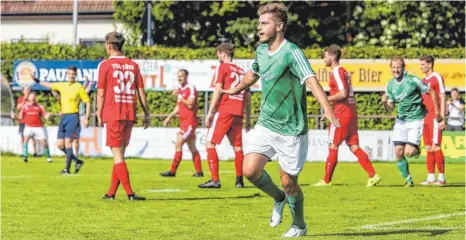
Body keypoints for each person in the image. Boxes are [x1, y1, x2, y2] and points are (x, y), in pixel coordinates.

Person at [222, 3, 339, 237]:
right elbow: (252, 73)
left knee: (288, 182)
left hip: (292, 129)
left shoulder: (291, 51)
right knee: (250, 171)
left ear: (280, 26)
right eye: (259, 23)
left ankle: (299, 225)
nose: (259, 27)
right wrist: (237, 88)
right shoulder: (261, 51)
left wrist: (326, 108)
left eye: (264, 23)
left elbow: (311, 80)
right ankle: (278, 199)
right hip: (266, 124)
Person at [313, 44, 381, 187]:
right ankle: (373, 176)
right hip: (351, 113)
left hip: (341, 114)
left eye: (325, 56)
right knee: (354, 146)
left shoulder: (337, 72)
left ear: (332, 57)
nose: (323, 59)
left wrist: (326, 99)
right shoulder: (343, 72)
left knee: (333, 145)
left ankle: (326, 181)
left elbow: (343, 93)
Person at [97, 31, 151, 201]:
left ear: (109, 45)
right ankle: (111, 193)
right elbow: (141, 91)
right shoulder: (133, 65)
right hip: (129, 113)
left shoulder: (105, 65)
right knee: (119, 154)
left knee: (118, 156)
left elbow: (100, 93)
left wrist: (98, 113)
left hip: (113, 113)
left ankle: (130, 193)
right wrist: (146, 112)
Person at [382, 56, 441, 187]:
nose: (396, 70)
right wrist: (385, 102)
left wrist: (437, 112)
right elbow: (389, 109)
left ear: (403, 68)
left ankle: (417, 149)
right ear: (390, 68)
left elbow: (432, 92)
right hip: (401, 120)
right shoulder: (390, 85)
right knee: (398, 151)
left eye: (398, 67)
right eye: (393, 67)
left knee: (409, 152)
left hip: (415, 119)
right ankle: (408, 179)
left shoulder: (412, 80)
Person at [200, 43, 251, 189]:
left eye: (218, 55)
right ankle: (239, 181)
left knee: (210, 143)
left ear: (222, 54)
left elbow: (218, 90)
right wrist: (247, 119)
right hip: (238, 112)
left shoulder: (222, 67)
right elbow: (248, 96)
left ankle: (215, 180)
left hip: (225, 110)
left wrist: (210, 112)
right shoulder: (242, 72)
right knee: (237, 148)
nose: (217, 58)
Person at [34, 67, 90, 174]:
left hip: (73, 116)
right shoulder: (62, 85)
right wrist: (35, 80)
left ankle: (67, 170)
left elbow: (87, 102)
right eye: (69, 74)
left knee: (68, 142)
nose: (71, 76)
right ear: (67, 74)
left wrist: (86, 117)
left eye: (73, 74)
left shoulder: (79, 87)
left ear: (76, 75)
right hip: (64, 117)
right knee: (60, 145)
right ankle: (77, 161)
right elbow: (48, 85)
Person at [159, 69, 203, 178]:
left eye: (181, 76)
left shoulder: (190, 88)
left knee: (178, 144)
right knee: (192, 147)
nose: (179, 78)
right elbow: (179, 107)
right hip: (183, 123)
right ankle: (199, 171)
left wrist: (180, 97)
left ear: (186, 76)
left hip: (189, 123)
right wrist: (168, 118)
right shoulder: (180, 90)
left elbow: (191, 104)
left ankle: (172, 171)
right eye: (178, 76)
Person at [419, 55, 447, 186]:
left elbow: (442, 95)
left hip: (435, 118)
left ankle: (441, 178)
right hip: (425, 118)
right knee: (429, 147)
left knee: (436, 146)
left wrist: (441, 118)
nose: (421, 67)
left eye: (423, 64)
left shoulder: (437, 77)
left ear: (430, 64)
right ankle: (430, 177)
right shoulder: (423, 80)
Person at [52, 79, 94, 157]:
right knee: (68, 139)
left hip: (78, 116)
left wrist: (89, 85)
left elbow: (84, 91)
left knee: (75, 139)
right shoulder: (70, 96)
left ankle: (75, 155)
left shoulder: (80, 95)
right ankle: (71, 156)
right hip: (71, 116)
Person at [10, 92, 52, 163]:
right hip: (28, 127)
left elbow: (45, 116)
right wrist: (15, 117)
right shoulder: (24, 107)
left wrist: (48, 116)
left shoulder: (39, 106)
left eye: (34, 97)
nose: (33, 98)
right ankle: (25, 156)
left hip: (38, 127)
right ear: (28, 98)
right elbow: (20, 117)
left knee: (44, 142)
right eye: (31, 97)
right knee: (25, 140)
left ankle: (48, 157)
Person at [16, 87, 37, 158]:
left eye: (29, 89)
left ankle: (34, 152)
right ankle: (24, 152)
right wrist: (24, 100)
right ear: (23, 91)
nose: (28, 91)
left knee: (32, 136)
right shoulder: (21, 98)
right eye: (26, 90)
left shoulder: (32, 98)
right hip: (22, 121)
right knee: (22, 137)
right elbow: (18, 108)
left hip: (31, 121)